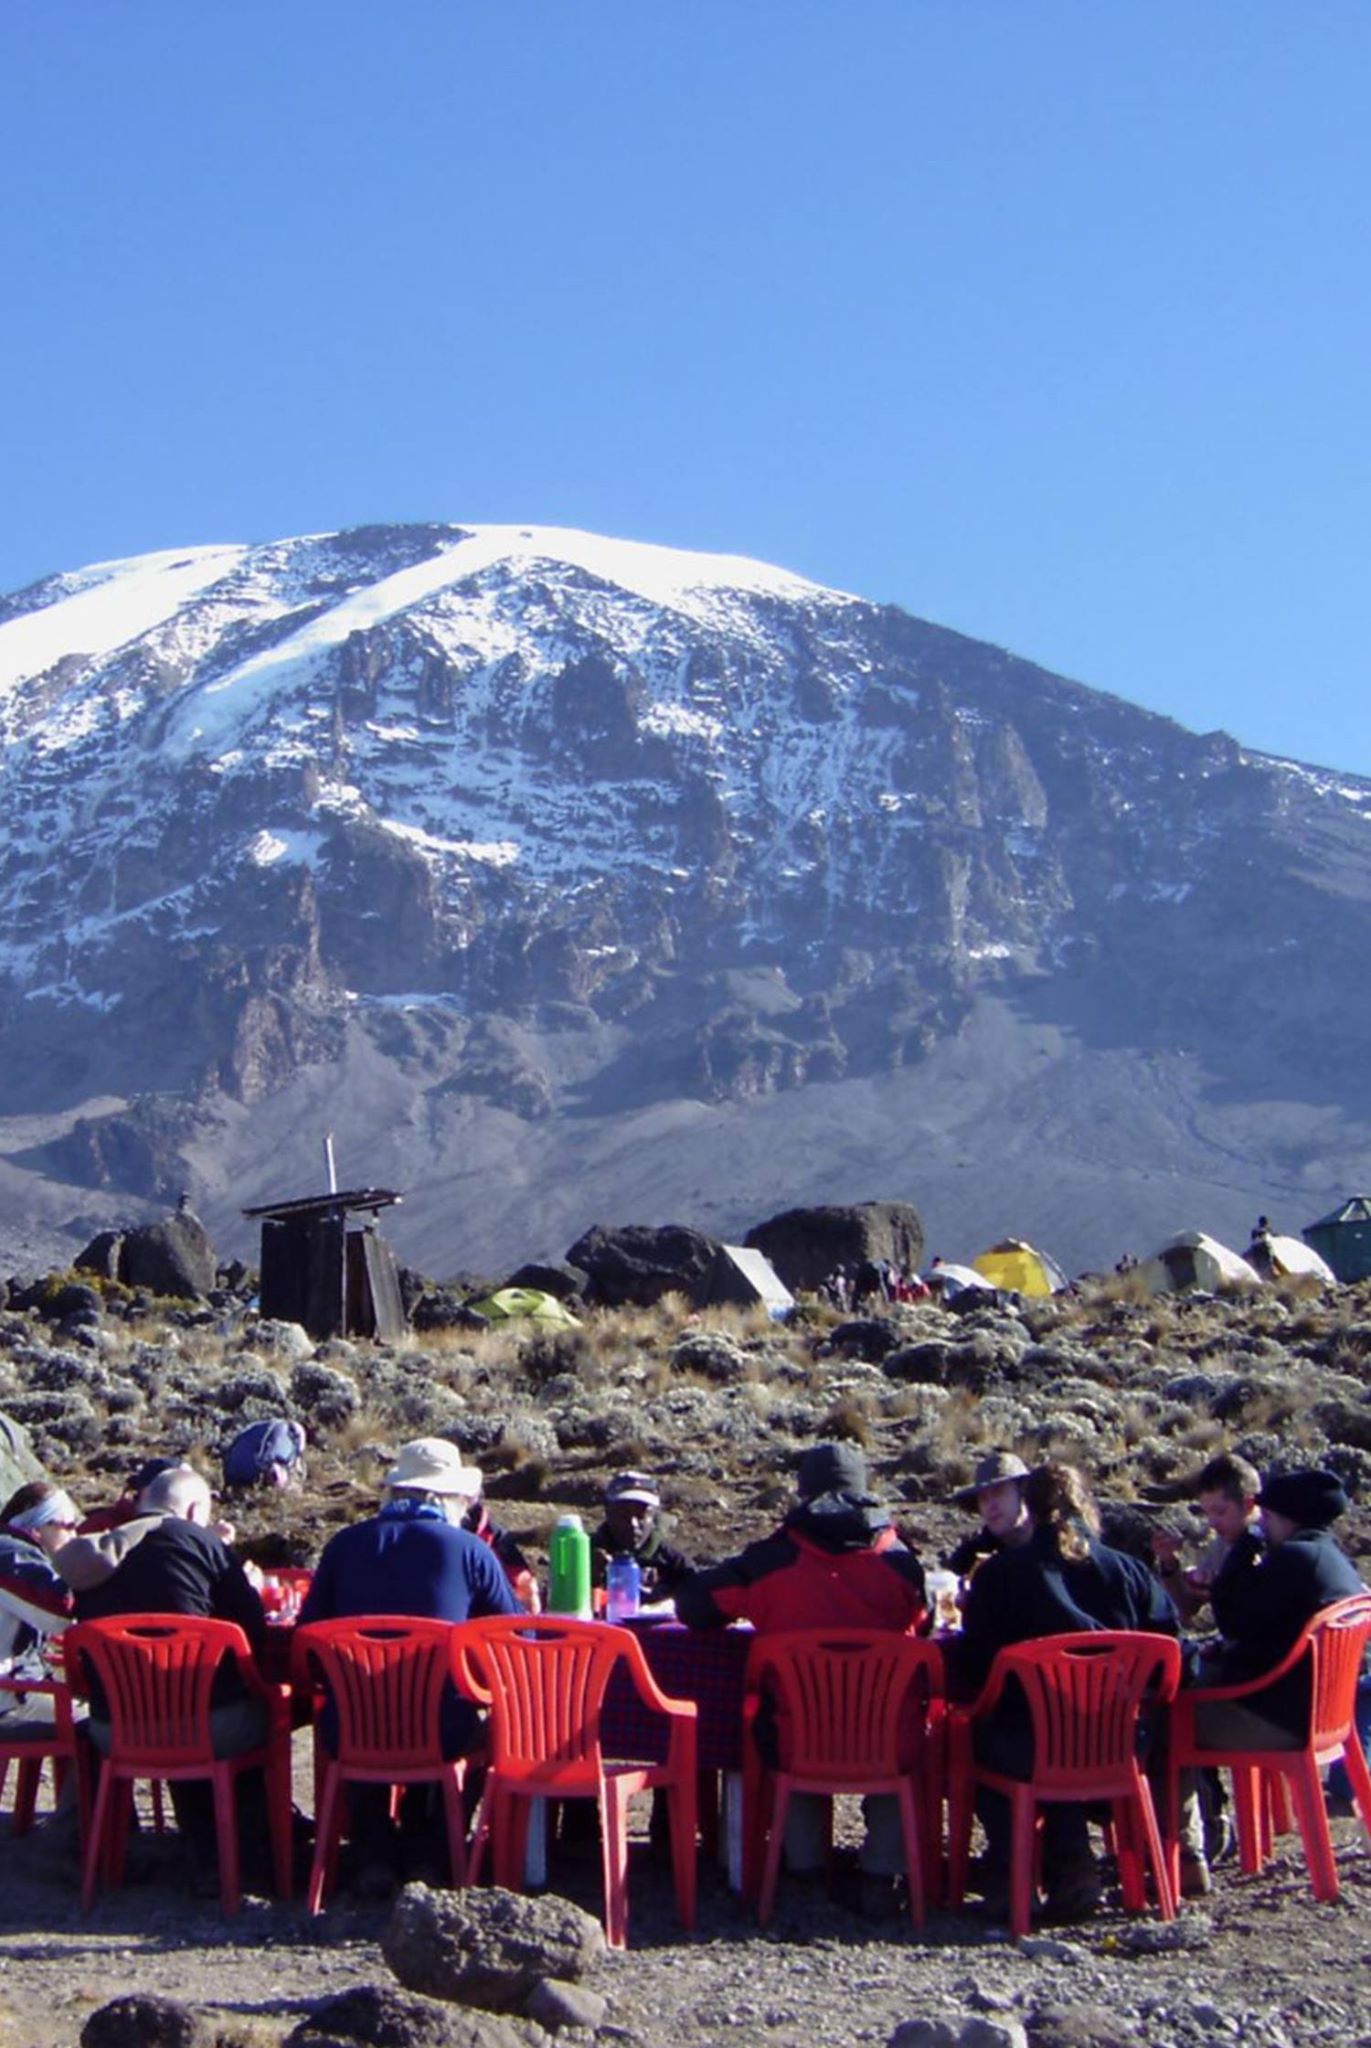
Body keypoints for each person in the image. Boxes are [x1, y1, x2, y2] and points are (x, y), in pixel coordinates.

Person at [677, 1441, 926, 1918]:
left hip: (799, 1739)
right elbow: (926, 1623)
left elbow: (695, 1606)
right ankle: (882, 1873)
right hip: (888, 1740)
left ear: (801, 1492)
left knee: (789, 1724)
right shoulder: (900, 1562)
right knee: (898, 1736)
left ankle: (805, 1872)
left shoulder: (772, 1560)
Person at [947, 1461, 1177, 1923]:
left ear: (1027, 1508)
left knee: (978, 1738)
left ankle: (1013, 1869)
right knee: (1062, 1730)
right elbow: (1170, 1645)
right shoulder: (1128, 1571)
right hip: (1117, 1744)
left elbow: (975, 1666)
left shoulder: (1002, 1575)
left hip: (1029, 1747)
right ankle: (1074, 1863)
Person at [297, 1435, 521, 1895]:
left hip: (353, 1726)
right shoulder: (469, 1550)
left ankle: (371, 1853)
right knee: (481, 1725)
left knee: (360, 1712)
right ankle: (431, 1850)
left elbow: (308, 1632)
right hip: (439, 1730)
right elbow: (517, 1635)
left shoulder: (344, 1546)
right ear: (448, 1497)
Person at [70, 1464, 272, 1887]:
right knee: (271, 1712)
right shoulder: (199, 1540)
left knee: (189, 1702)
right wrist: (248, 1584)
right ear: (195, 1508)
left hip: (114, 1729)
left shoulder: (94, 1553)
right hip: (205, 1727)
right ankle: (252, 1855)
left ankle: (195, 1850)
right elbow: (253, 1629)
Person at [0, 1481, 79, 1739]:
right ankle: (83, 1782)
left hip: (12, 1686)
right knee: (100, 1727)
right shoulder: (13, 1556)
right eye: (68, 1526)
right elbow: (60, 1614)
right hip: (8, 1694)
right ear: (36, 1529)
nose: (75, 1536)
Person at [590, 1470, 694, 1606]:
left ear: (654, 1515)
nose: (633, 1524)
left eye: (641, 1515)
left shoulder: (673, 1563)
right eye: (623, 1515)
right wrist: (590, 1578)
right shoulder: (583, 1554)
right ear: (608, 1512)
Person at [945, 1450, 1032, 1578]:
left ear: (1022, 1493)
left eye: (998, 1492)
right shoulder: (968, 1561)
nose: (991, 1505)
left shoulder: (1058, 1545)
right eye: (983, 1498)